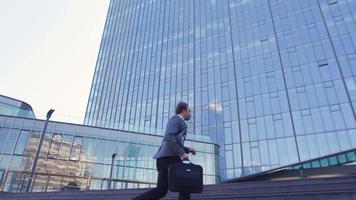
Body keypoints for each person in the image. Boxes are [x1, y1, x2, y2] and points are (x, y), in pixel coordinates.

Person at [133, 102, 196, 200]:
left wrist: (187, 149)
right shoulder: (176, 120)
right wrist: (182, 153)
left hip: (167, 159)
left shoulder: (179, 122)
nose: (190, 113)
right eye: (189, 111)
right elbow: (169, 137)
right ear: (183, 110)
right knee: (184, 186)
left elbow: (174, 141)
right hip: (168, 159)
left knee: (162, 190)